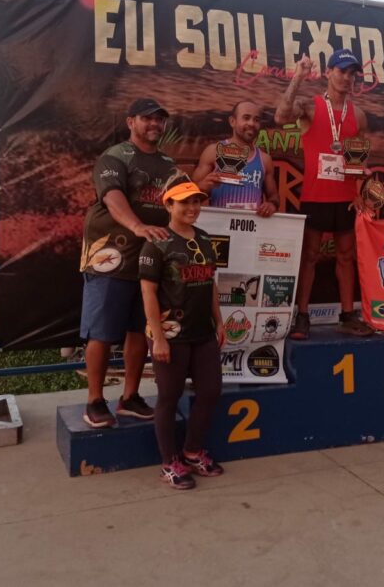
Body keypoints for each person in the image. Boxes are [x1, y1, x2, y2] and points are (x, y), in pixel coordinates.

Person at [78, 98, 177, 429]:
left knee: (140, 329)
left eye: (159, 120)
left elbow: (183, 200)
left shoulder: (167, 164)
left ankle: (130, 397)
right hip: (111, 256)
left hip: (150, 260)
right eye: (147, 118)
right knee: (102, 332)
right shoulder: (115, 157)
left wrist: (210, 186)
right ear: (130, 122)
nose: (154, 125)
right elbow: (112, 196)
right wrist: (137, 227)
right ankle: (94, 400)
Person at [275, 48, 373, 339]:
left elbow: (359, 157)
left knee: (346, 257)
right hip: (316, 195)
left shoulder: (358, 114)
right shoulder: (311, 105)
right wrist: (298, 77)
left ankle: (347, 314)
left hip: (344, 197)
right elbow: (281, 116)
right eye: (341, 71)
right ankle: (302, 315)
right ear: (328, 73)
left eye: (351, 73)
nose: (346, 78)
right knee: (310, 256)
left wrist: (358, 192)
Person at [139, 176, 225, 490]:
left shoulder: (204, 238)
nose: (192, 207)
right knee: (169, 396)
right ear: (169, 204)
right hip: (170, 334)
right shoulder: (156, 243)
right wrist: (158, 337)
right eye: (184, 201)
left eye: (196, 201)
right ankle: (169, 463)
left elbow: (211, 284)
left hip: (203, 332)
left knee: (211, 391)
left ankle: (191, 451)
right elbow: (148, 292)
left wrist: (220, 320)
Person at [192, 100, 280, 216]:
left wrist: (271, 205)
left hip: (251, 229)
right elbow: (188, 195)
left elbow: (274, 197)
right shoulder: (213, 152)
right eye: (246, 118)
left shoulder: (264, 159)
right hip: (219, 229)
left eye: (256, 120)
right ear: (232, 121)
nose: (252, 123)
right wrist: (202, 186)